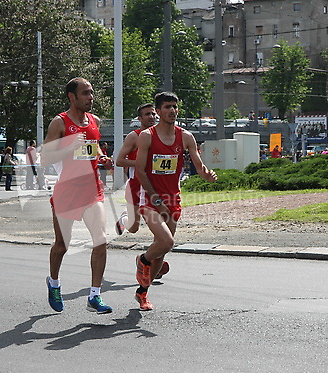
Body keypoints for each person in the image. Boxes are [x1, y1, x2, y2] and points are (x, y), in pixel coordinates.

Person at [133, 91, 217, 311]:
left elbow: (199, 165)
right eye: (167, 107)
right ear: (158, 111)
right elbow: (141, 171)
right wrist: (156, 199)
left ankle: (142, 293)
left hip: (173, 199)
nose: (172, 111)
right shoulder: (147, 136)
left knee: (162, 250)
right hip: (151, 198)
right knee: (166, 241)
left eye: (175, 107)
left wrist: (207, 174)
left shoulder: (186, 137)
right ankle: (143, 259)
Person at [41, 77, 113, 314]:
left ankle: (94, 295)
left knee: (100, 240)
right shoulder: (59, 123)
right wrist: (69, 146)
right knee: (62, 245)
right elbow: (45, 159)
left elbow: (93, 147)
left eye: (91, 93)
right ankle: (54, 283)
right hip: (67, 193)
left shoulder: (94, 121)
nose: (90, 97)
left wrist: (102, 157)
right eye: (85, 93)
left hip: (92, 191)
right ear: (72, 97)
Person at [115, 103, 157, 236]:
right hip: (136, 185)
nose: (151, 117)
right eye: (147, 114)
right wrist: (140, 163)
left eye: (153, 114)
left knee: (159, 224)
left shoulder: (159, 135)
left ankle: (157, 256)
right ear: (139, 119)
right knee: (133, 228)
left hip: (155, 184)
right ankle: (124, 218)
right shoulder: (134, 136)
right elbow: (119, 161)